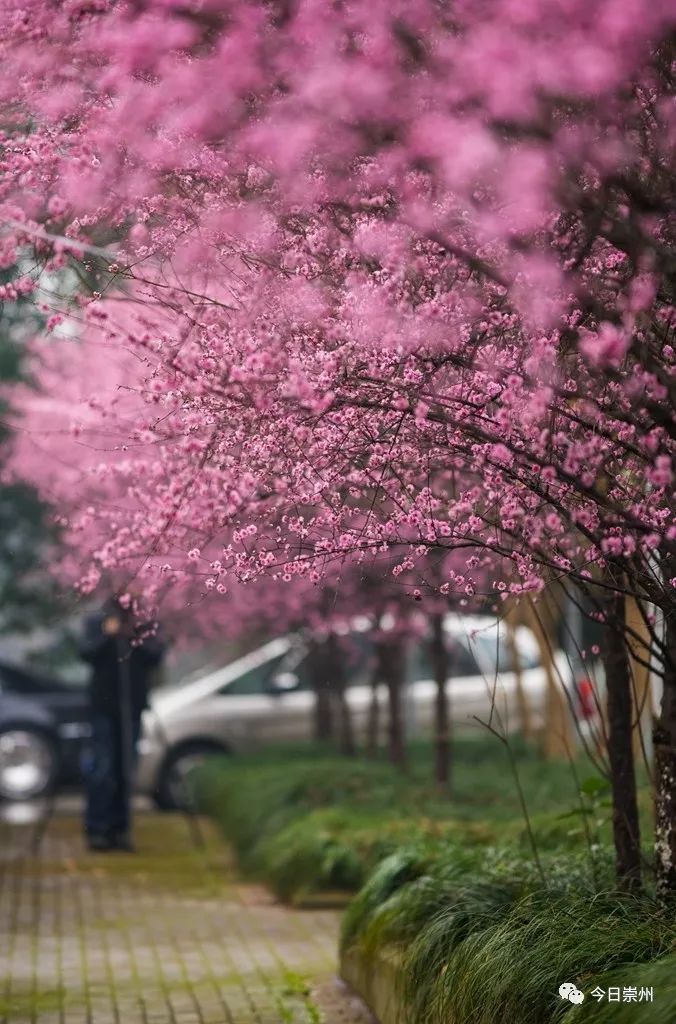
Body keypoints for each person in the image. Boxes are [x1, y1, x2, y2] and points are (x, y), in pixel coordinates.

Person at [79, 595, 165, 852]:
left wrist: (134, 634)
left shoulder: (145, 620)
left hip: (132, 704)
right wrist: (108, 635)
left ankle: (121, 828)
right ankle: (97, 827)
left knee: (127, 767)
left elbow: (155, 655)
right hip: (103, 705)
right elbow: (85, 653)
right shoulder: (97, 619)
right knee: (102, 767)